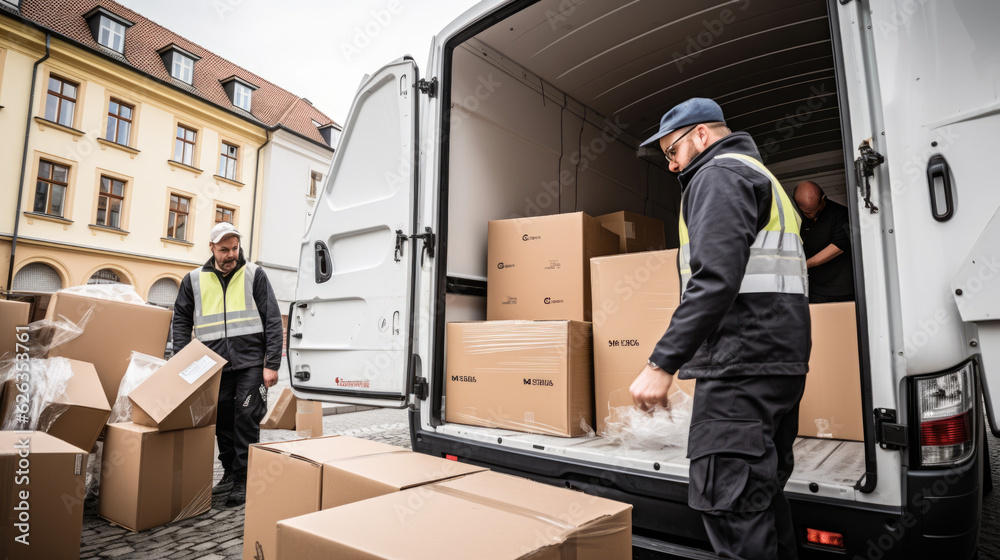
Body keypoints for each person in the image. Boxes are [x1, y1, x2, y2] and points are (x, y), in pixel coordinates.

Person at [630, 98, 811, 560]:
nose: (671, 166)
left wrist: (661, 363)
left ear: (702, 136)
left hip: (740, 366)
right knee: (760, 499)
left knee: (730, 505)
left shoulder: (719, 175)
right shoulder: (758, 175)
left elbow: (715, 278)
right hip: (775, 364)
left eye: (672, 151)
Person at [172, 221, 283, 507]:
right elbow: (182, 321)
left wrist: (271, 363)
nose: (231, 254)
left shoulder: (254, 274)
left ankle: (245, 478)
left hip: (250, 363)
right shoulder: (193, 279)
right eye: (224, 249)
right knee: (221, 419)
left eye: (234, 248)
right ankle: (231, 472)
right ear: (211, 249)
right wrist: (182, 362)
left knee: (246, 417)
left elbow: (272, 319)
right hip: (213, 365)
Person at [793, 181, 855, 303]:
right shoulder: (799, 219)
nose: (813, 216)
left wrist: (803, 265)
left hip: (842, 290)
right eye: (808, 213)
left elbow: (838, 246)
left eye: (817, 211)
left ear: (823, 198)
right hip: (815, 291)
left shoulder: (841, 214)